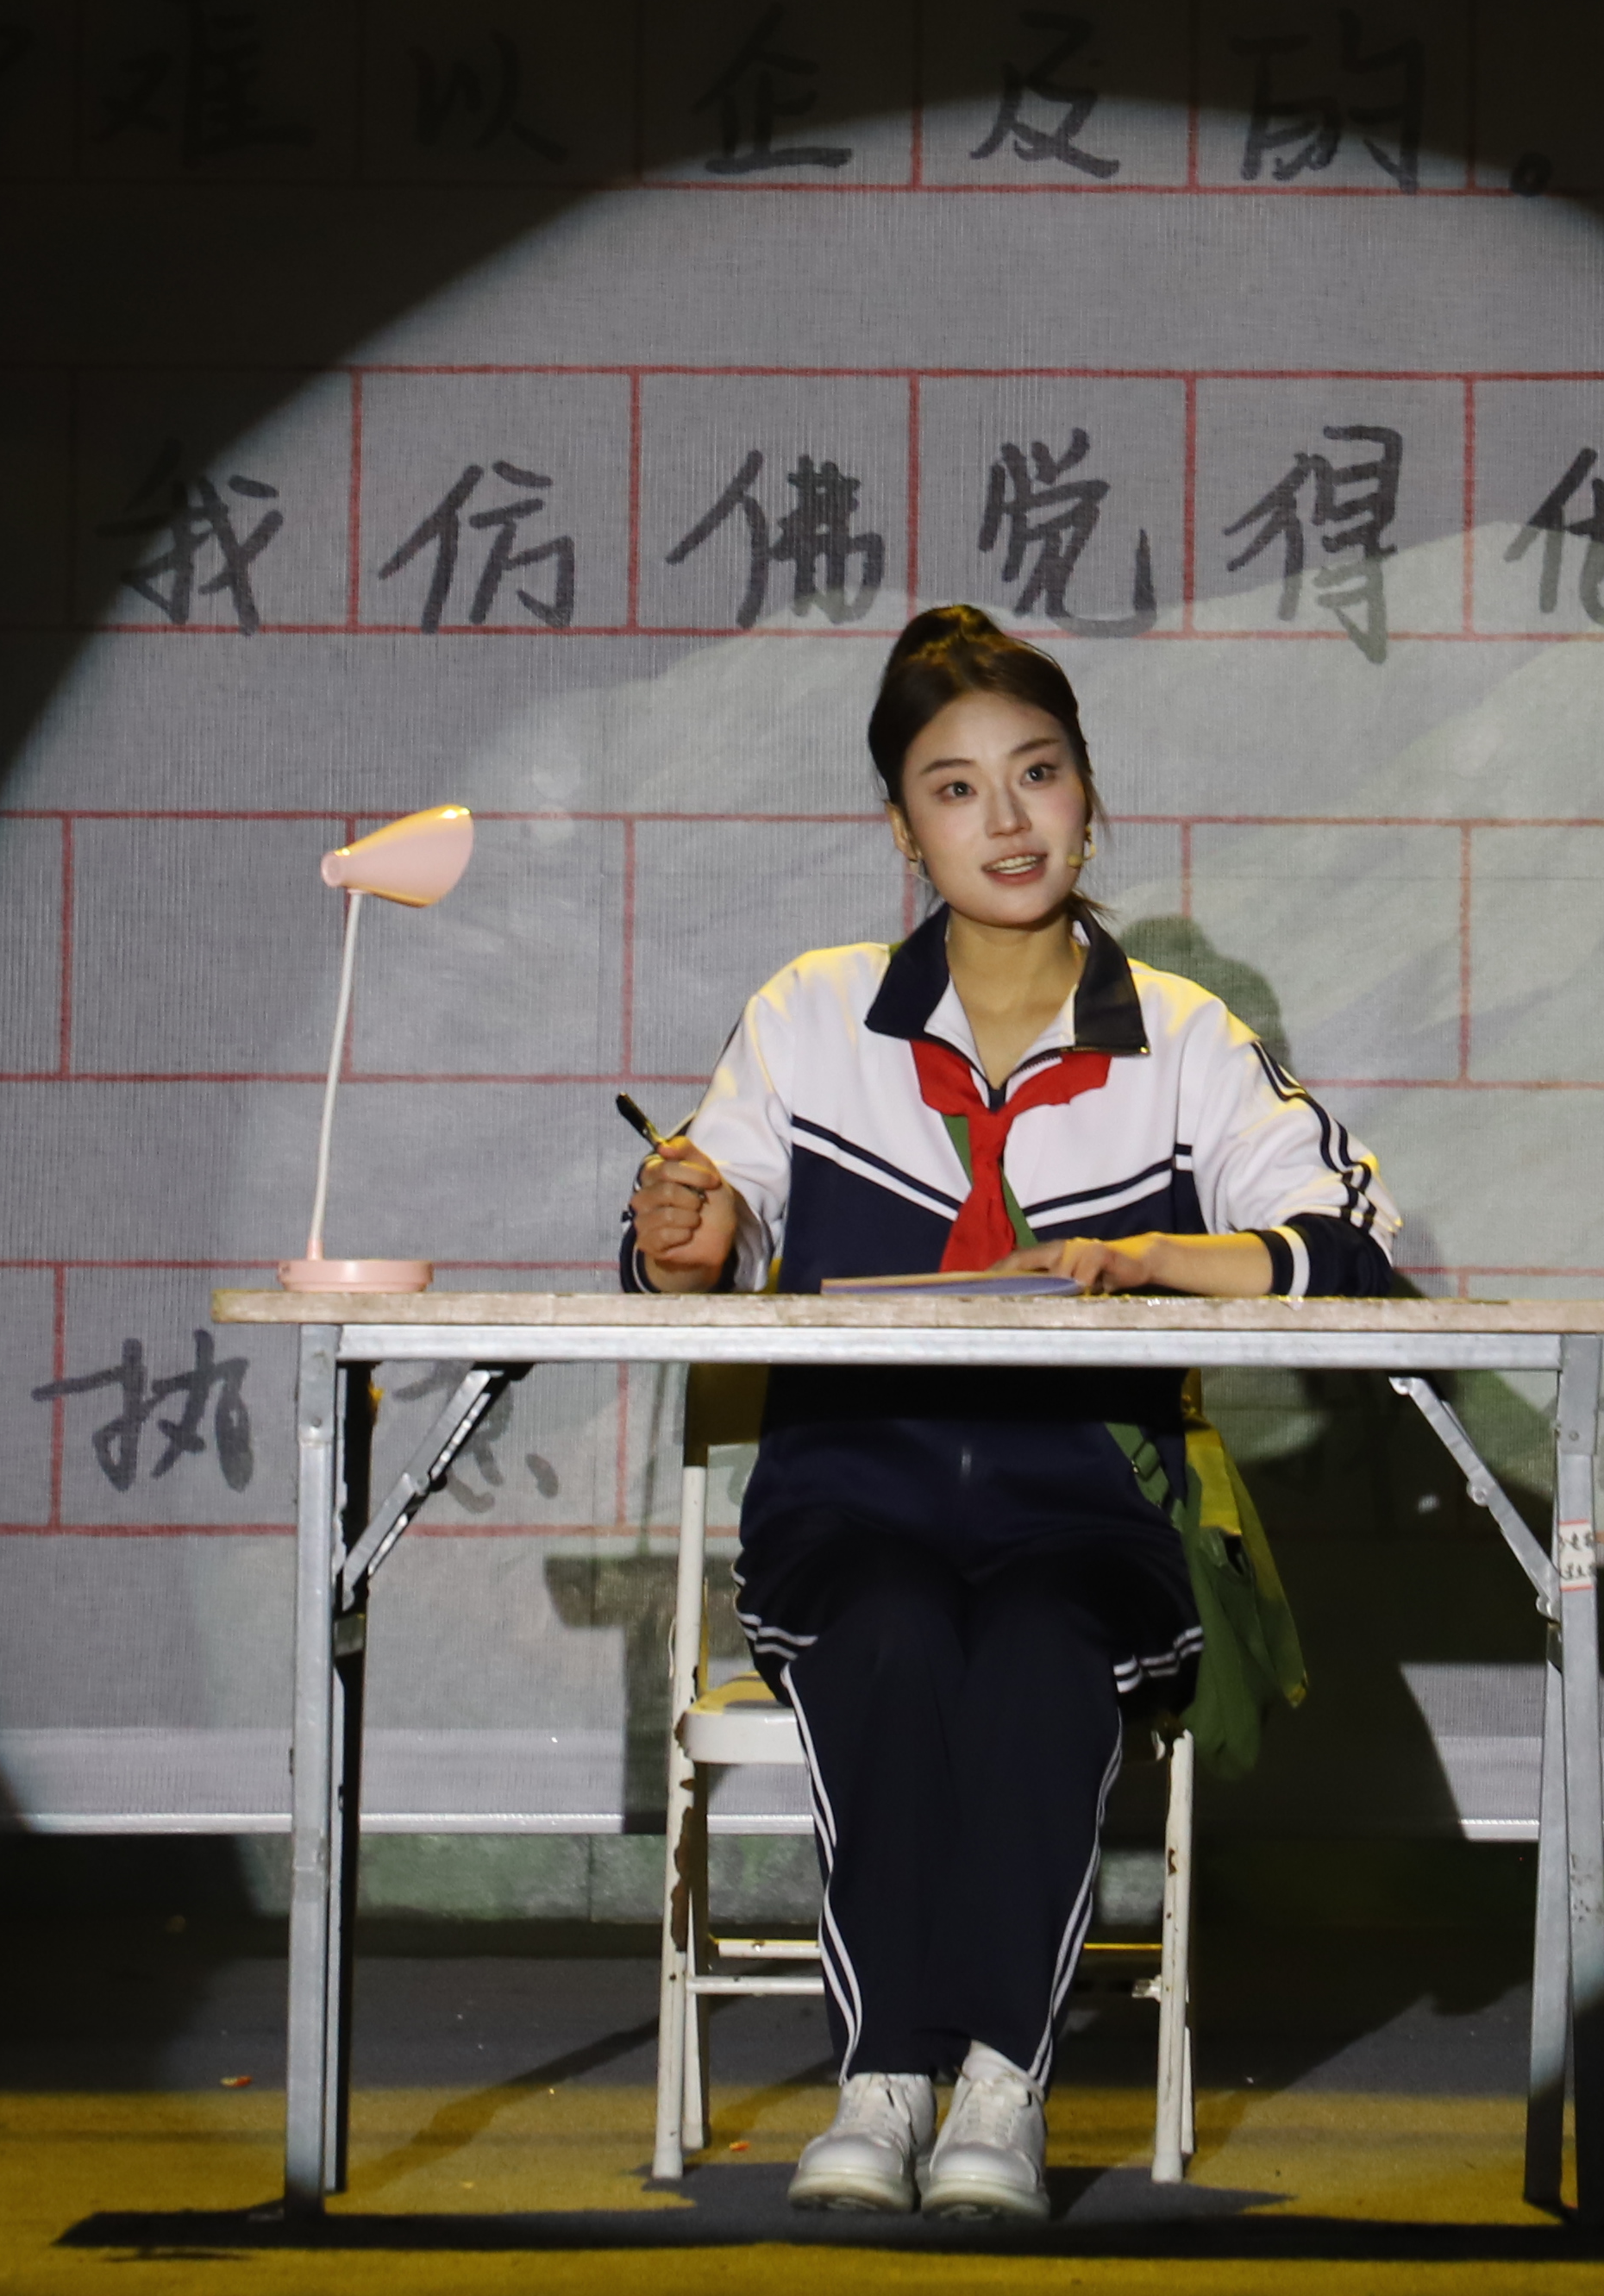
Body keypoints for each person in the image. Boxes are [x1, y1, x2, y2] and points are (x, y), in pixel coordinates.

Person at [626, 602, 1398, 2221]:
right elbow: (699, 1236)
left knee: (1041, 1651)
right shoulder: (811, 1014)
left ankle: (999, 2085)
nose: (1008, 819)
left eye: (1038, 773)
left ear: (1089, 794)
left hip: (1090, 1521)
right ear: (901, 827)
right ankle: (885, 2076)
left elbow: (1349, 1242)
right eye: (957, 787)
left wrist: (1163, 1258)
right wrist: (685, 1229)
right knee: (895, 1636)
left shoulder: (1184, 1038)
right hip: (848, 1507)